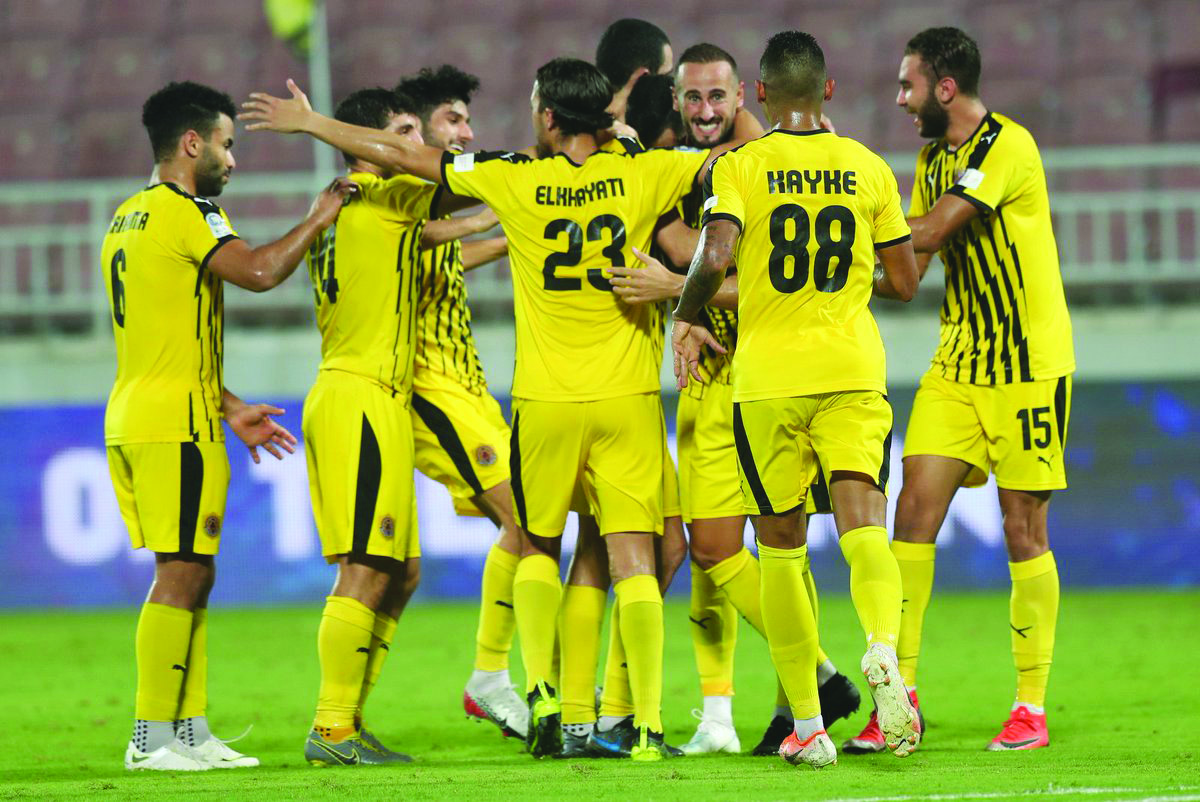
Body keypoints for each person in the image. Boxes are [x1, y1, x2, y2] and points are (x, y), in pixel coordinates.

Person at [240, 56, 732, 762]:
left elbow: (444, 191)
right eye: (437, 127)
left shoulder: (501, 182)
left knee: (469, 555)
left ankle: (535, 698)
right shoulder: (380, 196)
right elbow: (711, 162)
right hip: (466, 392)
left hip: (510, 399)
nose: (453, 139)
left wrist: (315, 125)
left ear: (549, 116)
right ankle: (614, 715)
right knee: (611, 550)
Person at [671, 31, 921, 768]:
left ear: (760, 96)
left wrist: (685, 318)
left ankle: (809, 727)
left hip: (770, 380)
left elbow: (714, 255)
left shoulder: (742, 166)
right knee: (862, 523)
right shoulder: (867, 165)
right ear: (829, 92)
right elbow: (904, 282)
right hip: (851, 369)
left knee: (778, 545)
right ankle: (883, 651)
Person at [610, 42, 860, 756]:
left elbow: (782, 282)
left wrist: (673, 285)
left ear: (743, 94)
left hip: (770, 376)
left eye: (717, 98)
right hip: (704, 377)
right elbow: (677, 228)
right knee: (717, 546)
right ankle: (812, 679)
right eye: (692, 99)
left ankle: (803, 706)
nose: (704, 112)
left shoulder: (775, 160)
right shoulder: (682, 158)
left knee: (784, 548)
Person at [105, 80, 351, 771]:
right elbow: (263, 271)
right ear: (192, 144)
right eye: (226, 143)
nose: (232, 160)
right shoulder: (190, 212)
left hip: (146, 410)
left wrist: (230, 403)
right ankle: (151, 737)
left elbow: (163, 343)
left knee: (194, 571)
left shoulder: (126, 217)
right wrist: (318, 216)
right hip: (172, 425)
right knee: (181, 572)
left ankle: (189, 731)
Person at [845, 26, 1074, 755]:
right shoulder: (929, 156)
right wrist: (843, 281)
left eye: (908, 85)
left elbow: (934, 228)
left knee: (1022, 529)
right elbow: (909, 268)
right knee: (911, 514)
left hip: (1028, 368)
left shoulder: (1009, 146)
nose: (900, 98)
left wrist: (837, 231)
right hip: (957, 363)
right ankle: (898, 702)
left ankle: (1029, 707)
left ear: (945, 88)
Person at [300, 87, 481, 766]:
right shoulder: (381, 197)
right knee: (368, 564)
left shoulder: (351, 203)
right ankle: (332, 727)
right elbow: (459, 189)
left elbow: (447, 239)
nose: (418, 149)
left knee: (400, 570)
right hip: (361, 396)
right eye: (403, 137)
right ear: (370, 145)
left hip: (372, 395)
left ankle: (346, 719)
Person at [391, 65, 527, 742]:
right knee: (525, 520)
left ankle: (497, 675)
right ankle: (498, 676)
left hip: (468, 391)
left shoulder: (431, 215)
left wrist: (515, 228)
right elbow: (415, 242)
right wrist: (518, 200)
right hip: (430, 394)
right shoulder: (392, 207)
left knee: (527, 522)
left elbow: (461, 249)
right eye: (452, 121)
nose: (468, 132)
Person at [595, 18, 674, 122]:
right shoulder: (626, 135)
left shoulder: (574, 123)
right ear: (642, 78)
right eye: (665, 77)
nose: (672, 88)